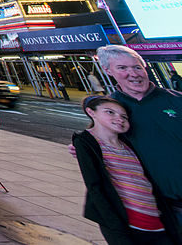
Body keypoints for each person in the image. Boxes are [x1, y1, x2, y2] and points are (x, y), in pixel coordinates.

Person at [96, 45, 182, 231]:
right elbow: (99, 145)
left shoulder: (177, 100)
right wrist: (80, 147)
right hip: (158, 210)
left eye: (137, 67)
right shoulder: (109, 110)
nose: (133, 73)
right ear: (108, 71)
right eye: (122, 68)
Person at [73, 95, 178, 244]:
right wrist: (114, 225)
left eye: (124, 117)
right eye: (110, 112)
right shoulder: (86, 142)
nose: (120, 118)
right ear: (91, 112)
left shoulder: (129, 143)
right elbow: (95, 186)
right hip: (126, 223)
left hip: (155, 221)